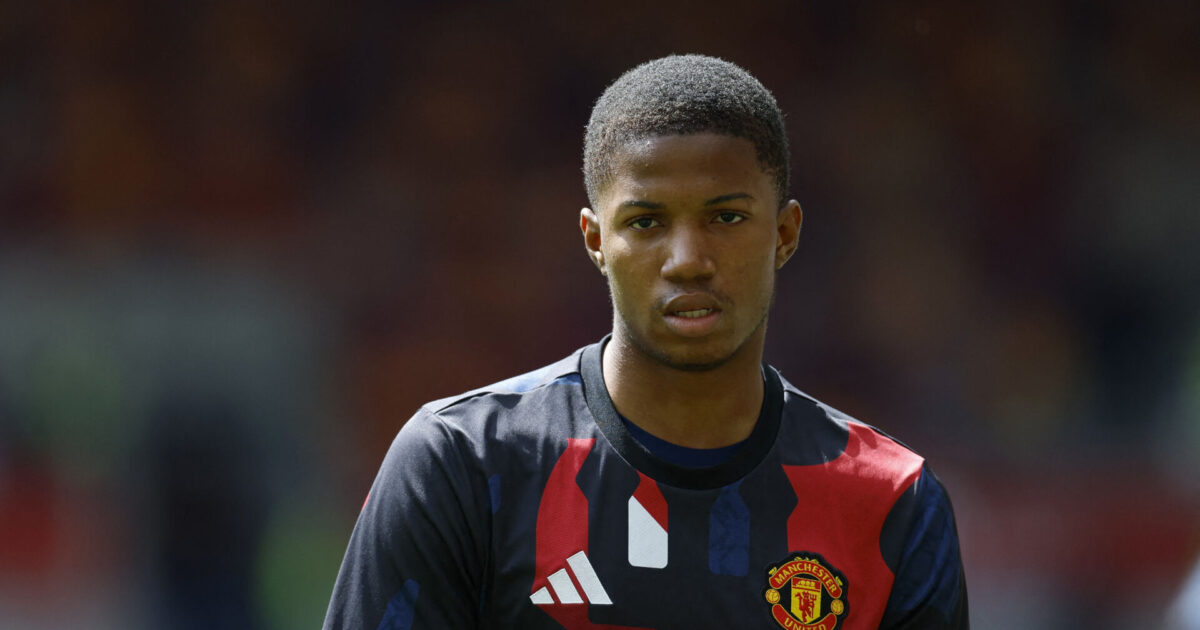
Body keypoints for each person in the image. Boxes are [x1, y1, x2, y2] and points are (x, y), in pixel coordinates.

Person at [323, 54, 969, 630]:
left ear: (785, 233)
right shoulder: (463, 464)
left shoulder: (892, 503)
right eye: (646, 221)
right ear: (595, 239)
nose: (688, 259)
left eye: (726, 217)